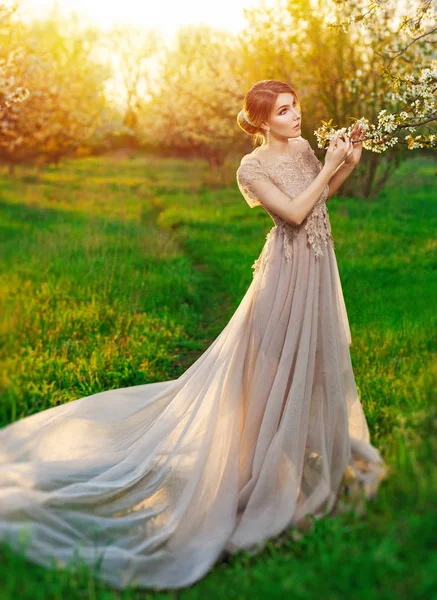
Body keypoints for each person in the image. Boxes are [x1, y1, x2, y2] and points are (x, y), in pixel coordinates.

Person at [0, 79, 388, 591]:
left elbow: (319, 202)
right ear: (263, 121)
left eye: (296, 108)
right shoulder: (250, 168)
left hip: (318, 267)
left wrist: (347, 165)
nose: (297, 118)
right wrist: (332, 167)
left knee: (315, 361)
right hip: (285, 275)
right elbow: (292, 215)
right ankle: (256, 475)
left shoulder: (301, 147)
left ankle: (295, 457)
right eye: (286, 111)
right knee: (270, 368)